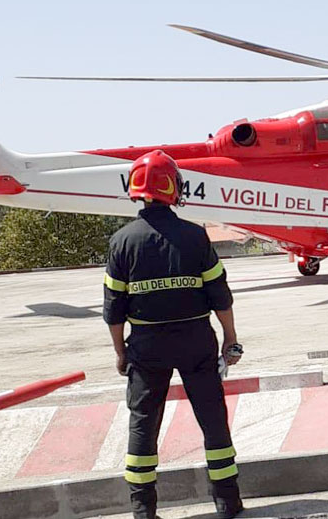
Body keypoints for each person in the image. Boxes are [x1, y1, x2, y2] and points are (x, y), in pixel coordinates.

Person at [104, 150, 243, 519]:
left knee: (143, 422)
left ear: (135, 189)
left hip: (146, 344)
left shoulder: (122, 242)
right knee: (212, 418)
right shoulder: (196, 236)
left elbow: (113, 308)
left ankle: (143, 511)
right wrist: (230, 338)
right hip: (196, 338)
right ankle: (228, 503)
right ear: (173, 188)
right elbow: (220, 295)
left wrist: (120, 352)